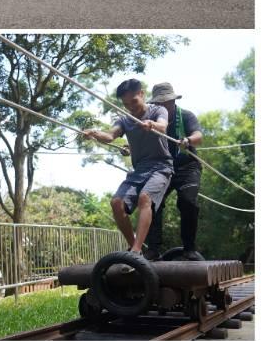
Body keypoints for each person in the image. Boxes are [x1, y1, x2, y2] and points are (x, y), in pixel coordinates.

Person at [84, 79, 173, 257]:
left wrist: (151, 124)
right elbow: (110, 136)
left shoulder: (157, 110)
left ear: (142, 94)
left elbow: (162, 126)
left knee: (144, 198)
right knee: (116, 203)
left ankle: (137, 248)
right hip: (139, 169)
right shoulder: (125, 120)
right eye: (126, 104)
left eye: (134, 101)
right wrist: (95, 134)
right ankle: (135, 249)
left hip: (161, 166)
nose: (131, 107)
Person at [145, 82, 204, 261]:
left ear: (173, 101)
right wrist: (129, 148)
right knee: (151, 203)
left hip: (188, 167)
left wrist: (188, 140)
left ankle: (189, 248)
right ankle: (153, 249)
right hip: (163, 168)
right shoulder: (152, 120)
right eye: (159, 104)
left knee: (187, 202)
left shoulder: (186, 115)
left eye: (167, 102)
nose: (163, 106)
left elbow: (199, 136)